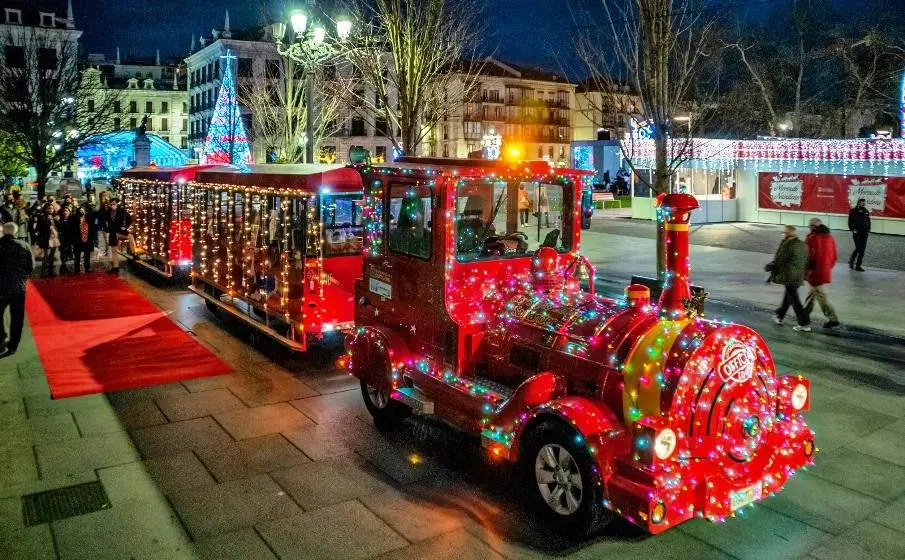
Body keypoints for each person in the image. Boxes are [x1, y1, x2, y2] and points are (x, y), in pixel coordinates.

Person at [766, 225, 810, 332]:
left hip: (790, 276)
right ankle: (779, 316)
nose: (783, 234)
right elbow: (806, 258)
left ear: (789, 233)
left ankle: (804, 323)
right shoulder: (801, 243)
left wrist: (769, 267)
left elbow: (779, 260)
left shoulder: (788, 245)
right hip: (798, 275)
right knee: (788, 297)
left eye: (785, 232)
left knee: (795, 300)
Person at [0, 222, 33, 359]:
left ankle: (1, 338)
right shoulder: (24, 246)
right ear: (15, 232)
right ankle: (13, 344)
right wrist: (23, 278)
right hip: (18, 287)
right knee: (17, 317)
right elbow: (30, 266)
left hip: (1, 286)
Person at [804, 218, 840, 328]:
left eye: (810, 225)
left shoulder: (812, 239)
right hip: (824, 271)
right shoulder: (830, 238)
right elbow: (834, 257)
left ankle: (833, 319)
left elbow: (808, 257)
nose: (809, 227)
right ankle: (804, 316)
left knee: (818, 296)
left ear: (814, 226)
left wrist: (806, 270)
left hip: (815, 273)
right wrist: (827, 268)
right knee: (815, 295)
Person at [105, 198, 135, 273]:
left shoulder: (122, 211)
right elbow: (103, 219)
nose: (113, 205)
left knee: (130, 237)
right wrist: (107, 228)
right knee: (114, 250)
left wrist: (125, 227)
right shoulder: (108, 212)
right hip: (113, 232)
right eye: (111, 204)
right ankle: (116, 267)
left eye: (114, 204)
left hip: (121, 231)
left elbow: (130, 220)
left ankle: (134, 253)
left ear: (117, 204)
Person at [35, 203, 60, 277]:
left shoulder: (55, 217)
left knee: (52, 256)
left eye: (52, 208)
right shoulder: (42, 217)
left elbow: (59, 226)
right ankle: (44, 272)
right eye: (49, 208)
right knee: (46, 256)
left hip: (54, 238)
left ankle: (51, 271)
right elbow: (39, 228)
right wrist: (47, 222)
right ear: (46, 209)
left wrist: (57, 220)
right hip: (46, 239)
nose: (51, 210)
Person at [72, 205, 97, 273]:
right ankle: (77, 268)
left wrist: (92, 238)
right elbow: (72, 229)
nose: (82, 212)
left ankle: (87, 267)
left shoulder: (89, 218)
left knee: (87, 254)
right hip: (78, 239)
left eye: (83, 210)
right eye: (80, 211)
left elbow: (93, 228)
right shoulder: (74, 218)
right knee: (77, 254)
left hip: (87, 239)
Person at [848, 198, 870, 271]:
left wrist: (868, 230)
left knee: (862, 250)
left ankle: (858, 266)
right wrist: (852, 229)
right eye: (862, 202)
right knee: (858, 248)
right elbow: (850, 221)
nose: (863, 203)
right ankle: (851, 261)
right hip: (857, 233)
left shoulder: (866, 211)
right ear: (858, 202)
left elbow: (868, 221)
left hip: (864, 233)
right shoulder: (853, 211)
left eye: (864, 202)